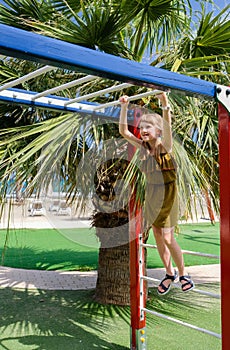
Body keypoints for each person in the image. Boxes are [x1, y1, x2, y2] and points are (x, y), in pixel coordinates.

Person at [119, 92, 194, 295]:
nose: (143, 131)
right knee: (158, 237)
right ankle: (169, 274)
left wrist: (165, 104)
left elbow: (168, 127)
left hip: (168, 196)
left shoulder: (164, 146)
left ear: (158, 131)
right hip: (152, 195)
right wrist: (124, 106)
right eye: (142, 127)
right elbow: (124, 132)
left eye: (148, 127)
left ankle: (183, 274)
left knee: (168, 238)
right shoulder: (143, 147)